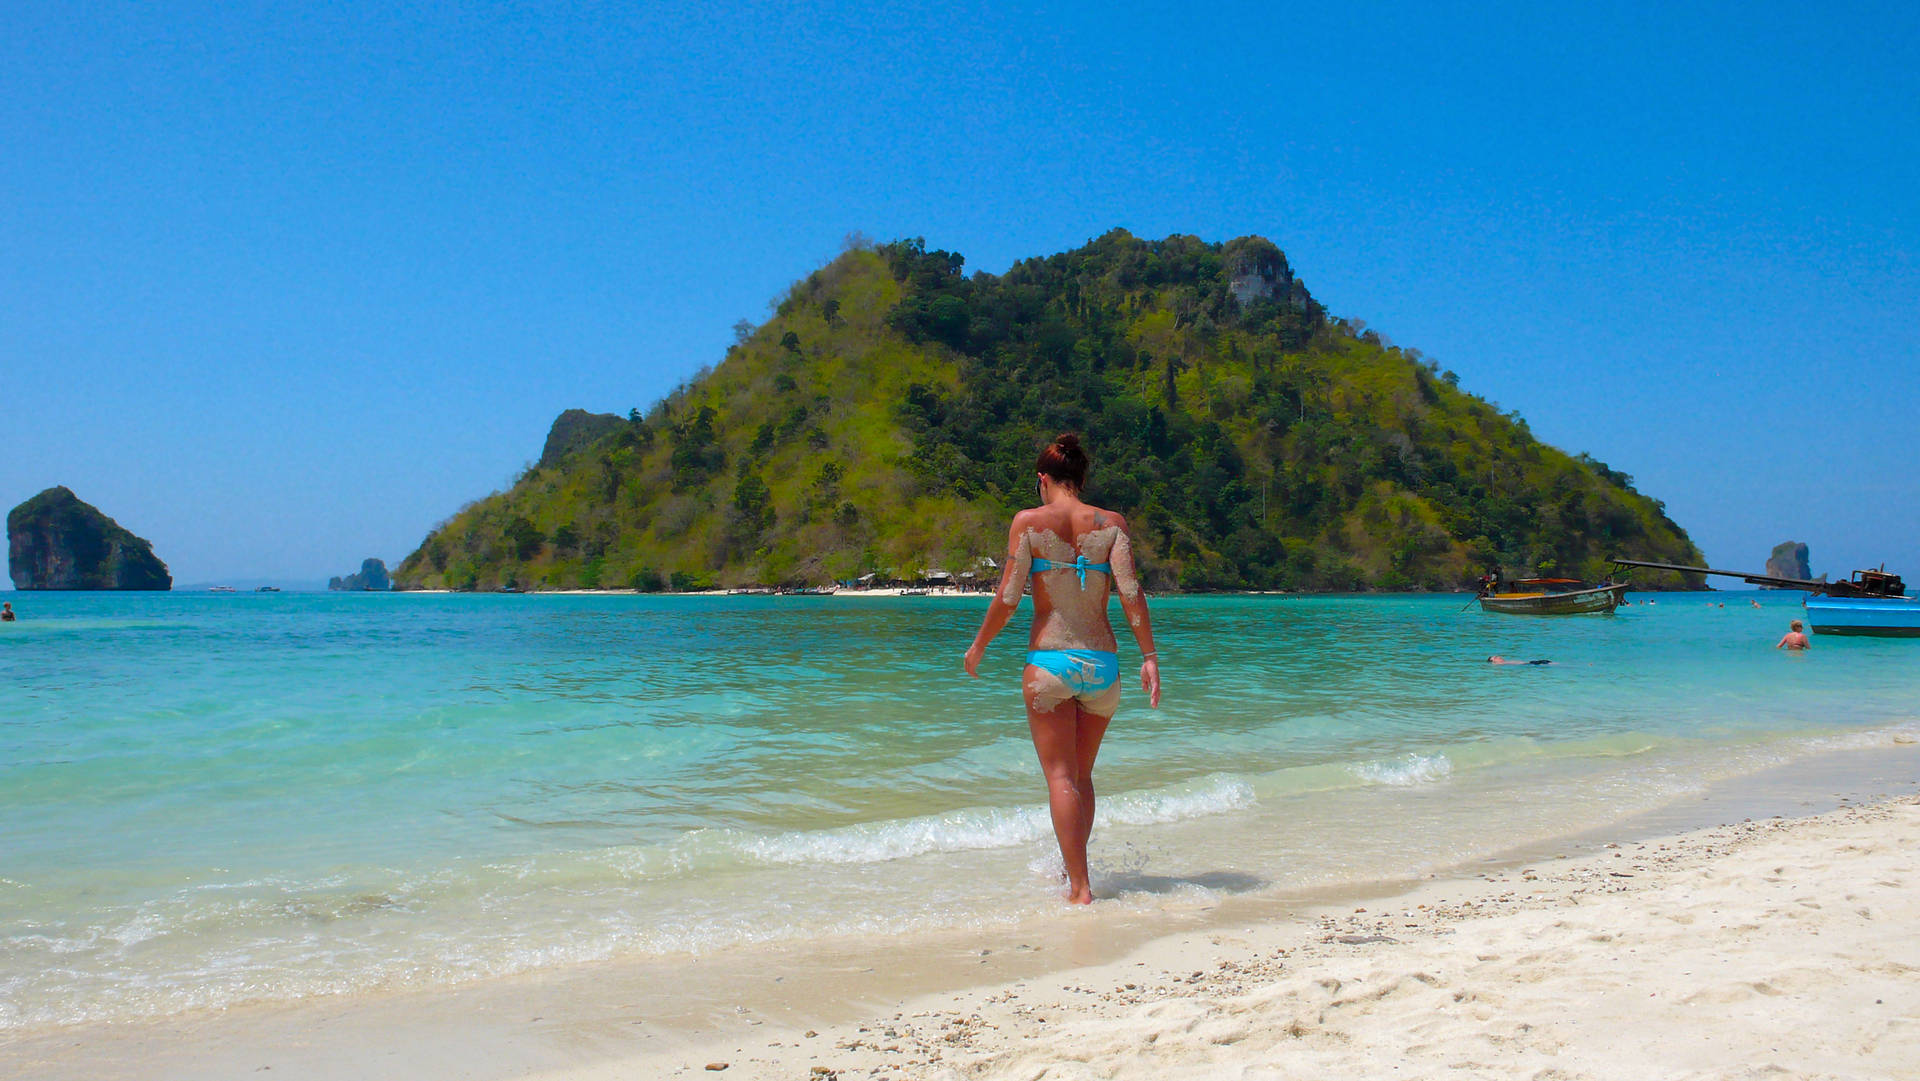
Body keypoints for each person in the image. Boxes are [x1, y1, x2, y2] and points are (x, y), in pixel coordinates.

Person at [964, 434, 1159, 904]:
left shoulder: (1029, 523)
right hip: (1104, 667)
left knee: (1060, 779)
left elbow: (1010, 597)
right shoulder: (1112, 524)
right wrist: (1149, 657)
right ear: (1081, 479)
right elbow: (1130, 593)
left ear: (1043, 480)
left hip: (1049, 663)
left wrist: (979, 646)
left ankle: (1080, 887)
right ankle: (1076, 873)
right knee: (1082, 777)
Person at [1487, 655, 1552, 665]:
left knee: (1550, 662)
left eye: (1497, 656)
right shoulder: (1500, 664)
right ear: (1494, 662)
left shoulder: (1505, 661)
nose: (1498, 657)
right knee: (1548, 663)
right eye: (1495, 658)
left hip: (1530, 663)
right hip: (1528, 664)